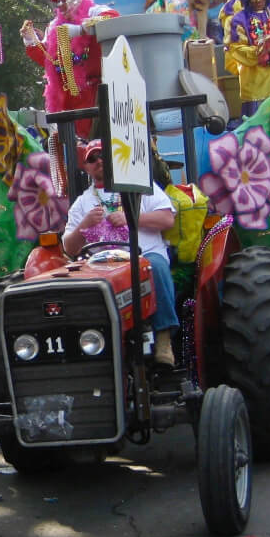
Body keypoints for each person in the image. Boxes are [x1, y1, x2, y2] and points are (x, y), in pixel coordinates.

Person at [62, 140, 178, 367]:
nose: (99, 161)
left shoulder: (141, 187)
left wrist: (131, 218)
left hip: (144, 257)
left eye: (103, 155)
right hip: (100, 265)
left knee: (156, 266)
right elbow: (69, 248)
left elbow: (167, 219)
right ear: (86, 167)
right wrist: (84, 225)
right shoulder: (81, 203)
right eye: (92, 158)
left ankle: (164, 340)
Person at [21, 0, 119, 138]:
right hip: (67, 100)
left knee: (98, 143)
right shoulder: (54, 26)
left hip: (97, 94)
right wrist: (31, 40)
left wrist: (82, 29)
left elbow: (112, 18)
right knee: (70, 146)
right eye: (58, 1)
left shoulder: (94, 11)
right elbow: (49, 61)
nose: (62, 5)